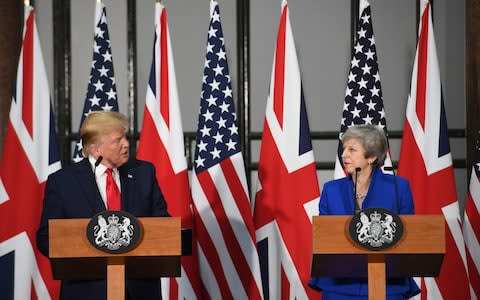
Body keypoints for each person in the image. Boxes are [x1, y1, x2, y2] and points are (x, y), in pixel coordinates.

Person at [37, 111, 169, 300]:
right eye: (117, 140)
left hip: (139, 290)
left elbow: (163, 226)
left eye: (125, 137)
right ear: (95, 149)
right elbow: (46, 237)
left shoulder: (143, 173)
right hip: (87, 291)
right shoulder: (63, 182)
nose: (126, 144)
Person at [309, 124, 420, 300]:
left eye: (352, 149)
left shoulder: (398, 188)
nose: (344, 154)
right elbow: (324, 236)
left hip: (388, 285)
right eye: (344, 148)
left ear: (372, 157)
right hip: (339, 286)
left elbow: (410, 236)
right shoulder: (331, 190)